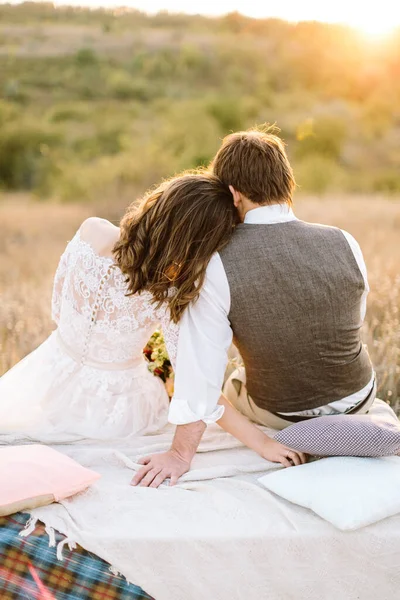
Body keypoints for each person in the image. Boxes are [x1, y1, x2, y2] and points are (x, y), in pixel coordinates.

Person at [0, 171, 304, 470]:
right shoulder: (168, 293)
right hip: (115, 409)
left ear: (159, 202)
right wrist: (262, 442)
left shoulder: (90, 231)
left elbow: (58, 309)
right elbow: (198, 385)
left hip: (46, 376)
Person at [132, 128, 375, 488]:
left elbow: (202, 370)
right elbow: (351, 321)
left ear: (232, 193)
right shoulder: (344, 240)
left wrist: (181, 454)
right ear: (287, 182)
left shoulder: (216, 263)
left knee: (231, 383)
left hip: (284, 417)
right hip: (359, 399)